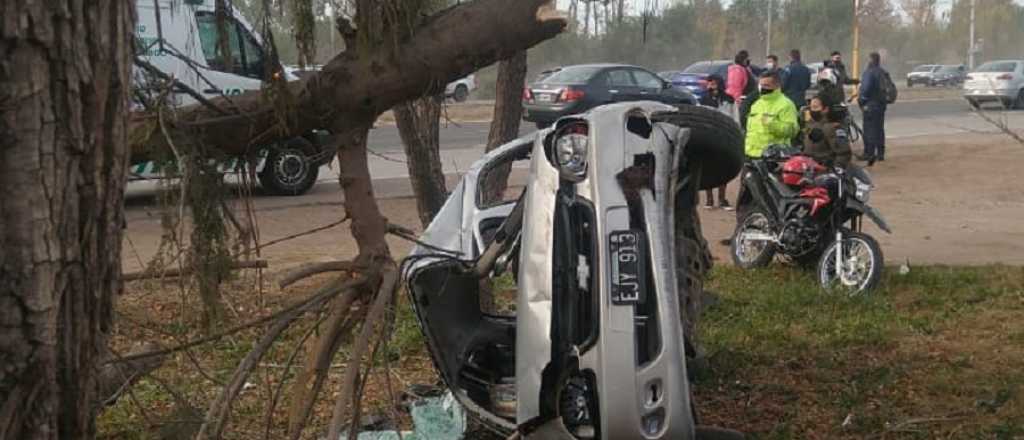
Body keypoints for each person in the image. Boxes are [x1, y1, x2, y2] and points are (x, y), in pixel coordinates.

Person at [744, 71, 799, 160]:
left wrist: (772, 124)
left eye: (766, 85)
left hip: (773, 156)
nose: (762, 88)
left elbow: (792, 131)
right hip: (751, 155)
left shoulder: (786, 104)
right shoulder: (756, 104)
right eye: (761, 85)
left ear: (776, 86)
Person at [698, 74, 733, 210]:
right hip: (709, 137)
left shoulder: (728, 99)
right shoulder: (703, 99)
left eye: (713, 82)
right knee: (709, 169)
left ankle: (722, 199)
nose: (711, 85)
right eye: (709, 83)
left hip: (724, 137)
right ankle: (709, 200)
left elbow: (733, 117)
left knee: (723, 169)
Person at [802, 95, 852, 169]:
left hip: (825, 170)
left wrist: (836, 168)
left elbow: (844, 153)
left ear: (825, 109)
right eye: (811, 107)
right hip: (809, 169)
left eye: (815, 107)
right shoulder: (809, 125)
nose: (812, 110)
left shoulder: (832, 128)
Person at [858, 52, 888, 165]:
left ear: (870, 60)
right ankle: (881, 154)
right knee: (879, 129)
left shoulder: (869, 72)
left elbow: (865, 89)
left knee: (869, 130)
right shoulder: (883, 72)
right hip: (881, 105)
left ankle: (869, 153)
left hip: (870, 105)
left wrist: (861, 101)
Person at [726, 50, 757, 122]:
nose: (749, 61)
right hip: (740, 101)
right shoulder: (737, 70)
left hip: (747, 100)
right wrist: (737, 103)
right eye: (747, 59)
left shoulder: (745, 68)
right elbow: (735, 88)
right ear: (744, 60)